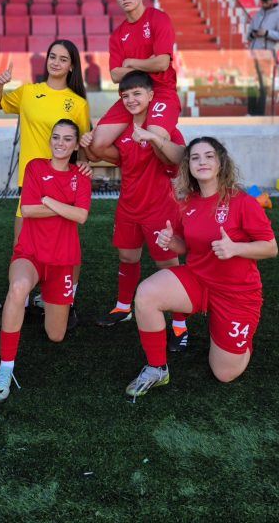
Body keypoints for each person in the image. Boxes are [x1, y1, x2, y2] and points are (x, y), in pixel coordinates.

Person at [126, 137, 278, 399]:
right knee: (147, 294)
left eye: (209, 156)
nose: (202, 162)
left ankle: (238, 337)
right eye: (195, 157)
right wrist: (170, 241)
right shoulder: (188, 203)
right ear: (188, 166)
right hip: (198, 280)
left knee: (224, 374)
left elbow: (271, 247)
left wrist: (236, 249)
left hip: (236, 294)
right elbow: (186, 246)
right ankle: (157, 368)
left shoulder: (242, 201)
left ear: (221, 163)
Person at [81, 71, 189, 349]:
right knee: (127, 257)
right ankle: (122, 307)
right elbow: (109, 156)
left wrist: (153, 139)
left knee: (168, 265)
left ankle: (180, 325)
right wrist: (88, 145)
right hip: (128, 206)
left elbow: (181, 158)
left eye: (137, 93)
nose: (130, 99)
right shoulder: (121, 129)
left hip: (159, 209)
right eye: (125, 95)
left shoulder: (164, 129)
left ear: (151, 96)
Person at [0, 120, 91, 402]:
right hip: (30, 254)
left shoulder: (81, 175)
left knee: (56, 335)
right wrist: (67, 207)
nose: (60, 143)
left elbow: (82, 216)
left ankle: (46, 301)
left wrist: (48, 200)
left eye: (67, 139)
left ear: (76, 145)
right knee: (18, 287)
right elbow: (28, 210)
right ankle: (5, 367)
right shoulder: (35, 166)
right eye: (56, 137)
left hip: (62, 260)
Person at [0, 39, 91, 328]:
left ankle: (67, 298)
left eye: (63, 58)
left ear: (71, 66)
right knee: (22, 244)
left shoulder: (78, 103)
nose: (56, 62)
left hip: (63, 185)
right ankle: (21, 299)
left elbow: (82, 143)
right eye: (52, 56)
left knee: (66, 249)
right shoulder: (28, 92)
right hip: (32, 181)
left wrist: (85, 164)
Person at [90, 0, 180, 158]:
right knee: (97, 144)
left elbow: (162, 63)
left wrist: (131, 63)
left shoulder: (158, 18)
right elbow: (115, 75)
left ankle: (177, 159)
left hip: (161, 90)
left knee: (155, 141)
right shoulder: (118, 35)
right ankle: (131, 162)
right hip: (130, 94)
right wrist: (149, 63)